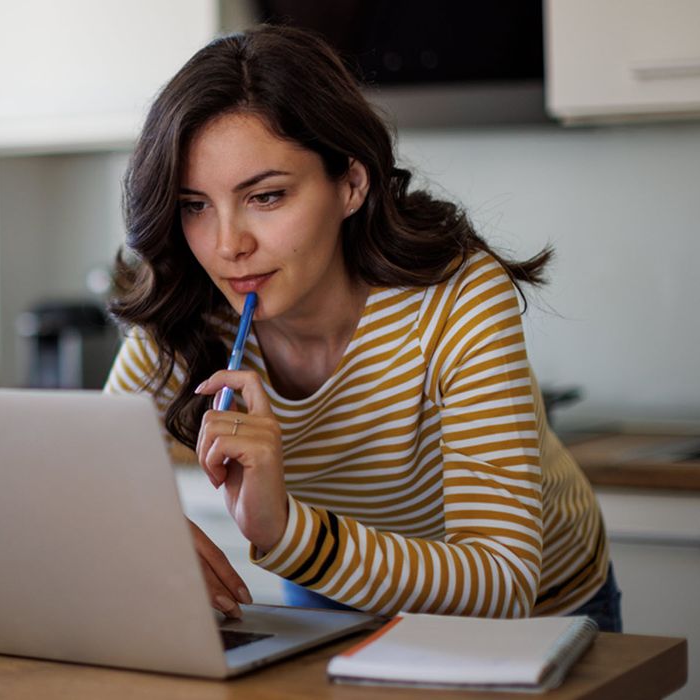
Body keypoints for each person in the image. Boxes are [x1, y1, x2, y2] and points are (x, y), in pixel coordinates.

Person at [103, 25, 621, 632]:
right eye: (195, 205)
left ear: (350, 183)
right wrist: (142, 530)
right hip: (337, 593)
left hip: (538, 614)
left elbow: (503, 579)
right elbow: (91, 476)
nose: (227, 246)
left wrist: (289, 533)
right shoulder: (192, 303)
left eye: (266, 197)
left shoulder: (457, 297)